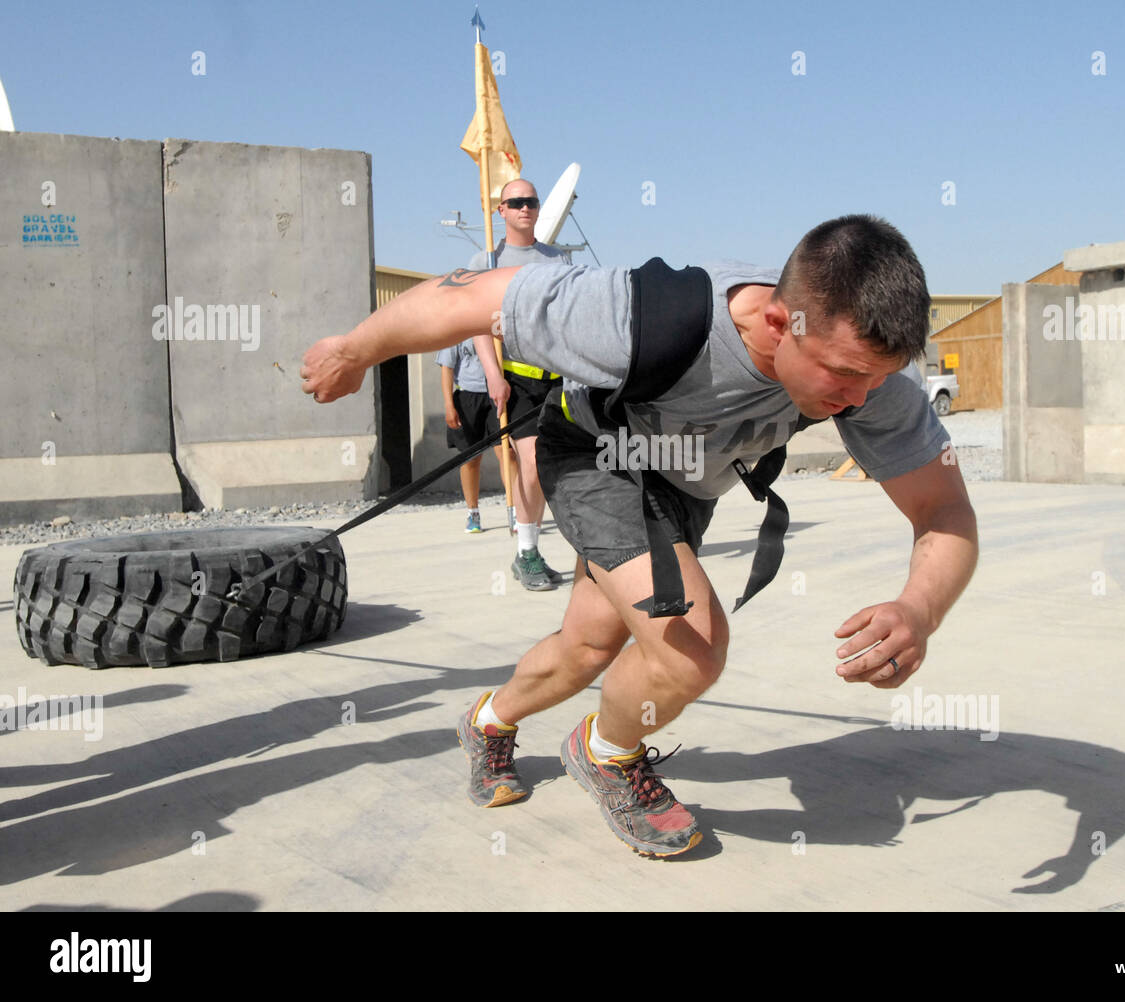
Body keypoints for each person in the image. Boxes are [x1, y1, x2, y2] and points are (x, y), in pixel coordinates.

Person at [301, 214, 979, 858]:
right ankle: (608, 754)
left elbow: (943, 511)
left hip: (682, 490)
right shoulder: (644, 314)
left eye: (879, 378)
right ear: (780, 321)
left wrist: (919, 608)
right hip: (597, 455)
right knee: (691, 648)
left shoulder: (872, 376)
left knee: (588, 646)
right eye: (846, 375)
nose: (860, 401)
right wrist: (355, 351)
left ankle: (486, 722)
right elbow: (473, 296)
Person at [468, 178, 567, 590]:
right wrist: (493, 373)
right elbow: (475, 323)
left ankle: (541, 550)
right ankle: (526, 552)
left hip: (559, 379)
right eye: (517, 202)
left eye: (531, 201)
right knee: (531, 461)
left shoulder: (558, 259)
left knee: (551, 467)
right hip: (518, 381)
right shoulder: (486, 261)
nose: (525, 208)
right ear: (501, 211)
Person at [437, 339, 507, 533]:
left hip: (497, 395)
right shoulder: (457, 328)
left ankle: (516, 510)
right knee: (470, 459)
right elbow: (447, 368)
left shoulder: (495, 324)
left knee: (506, 453)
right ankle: (473, 512)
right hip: (468, 396)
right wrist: (449, 405)